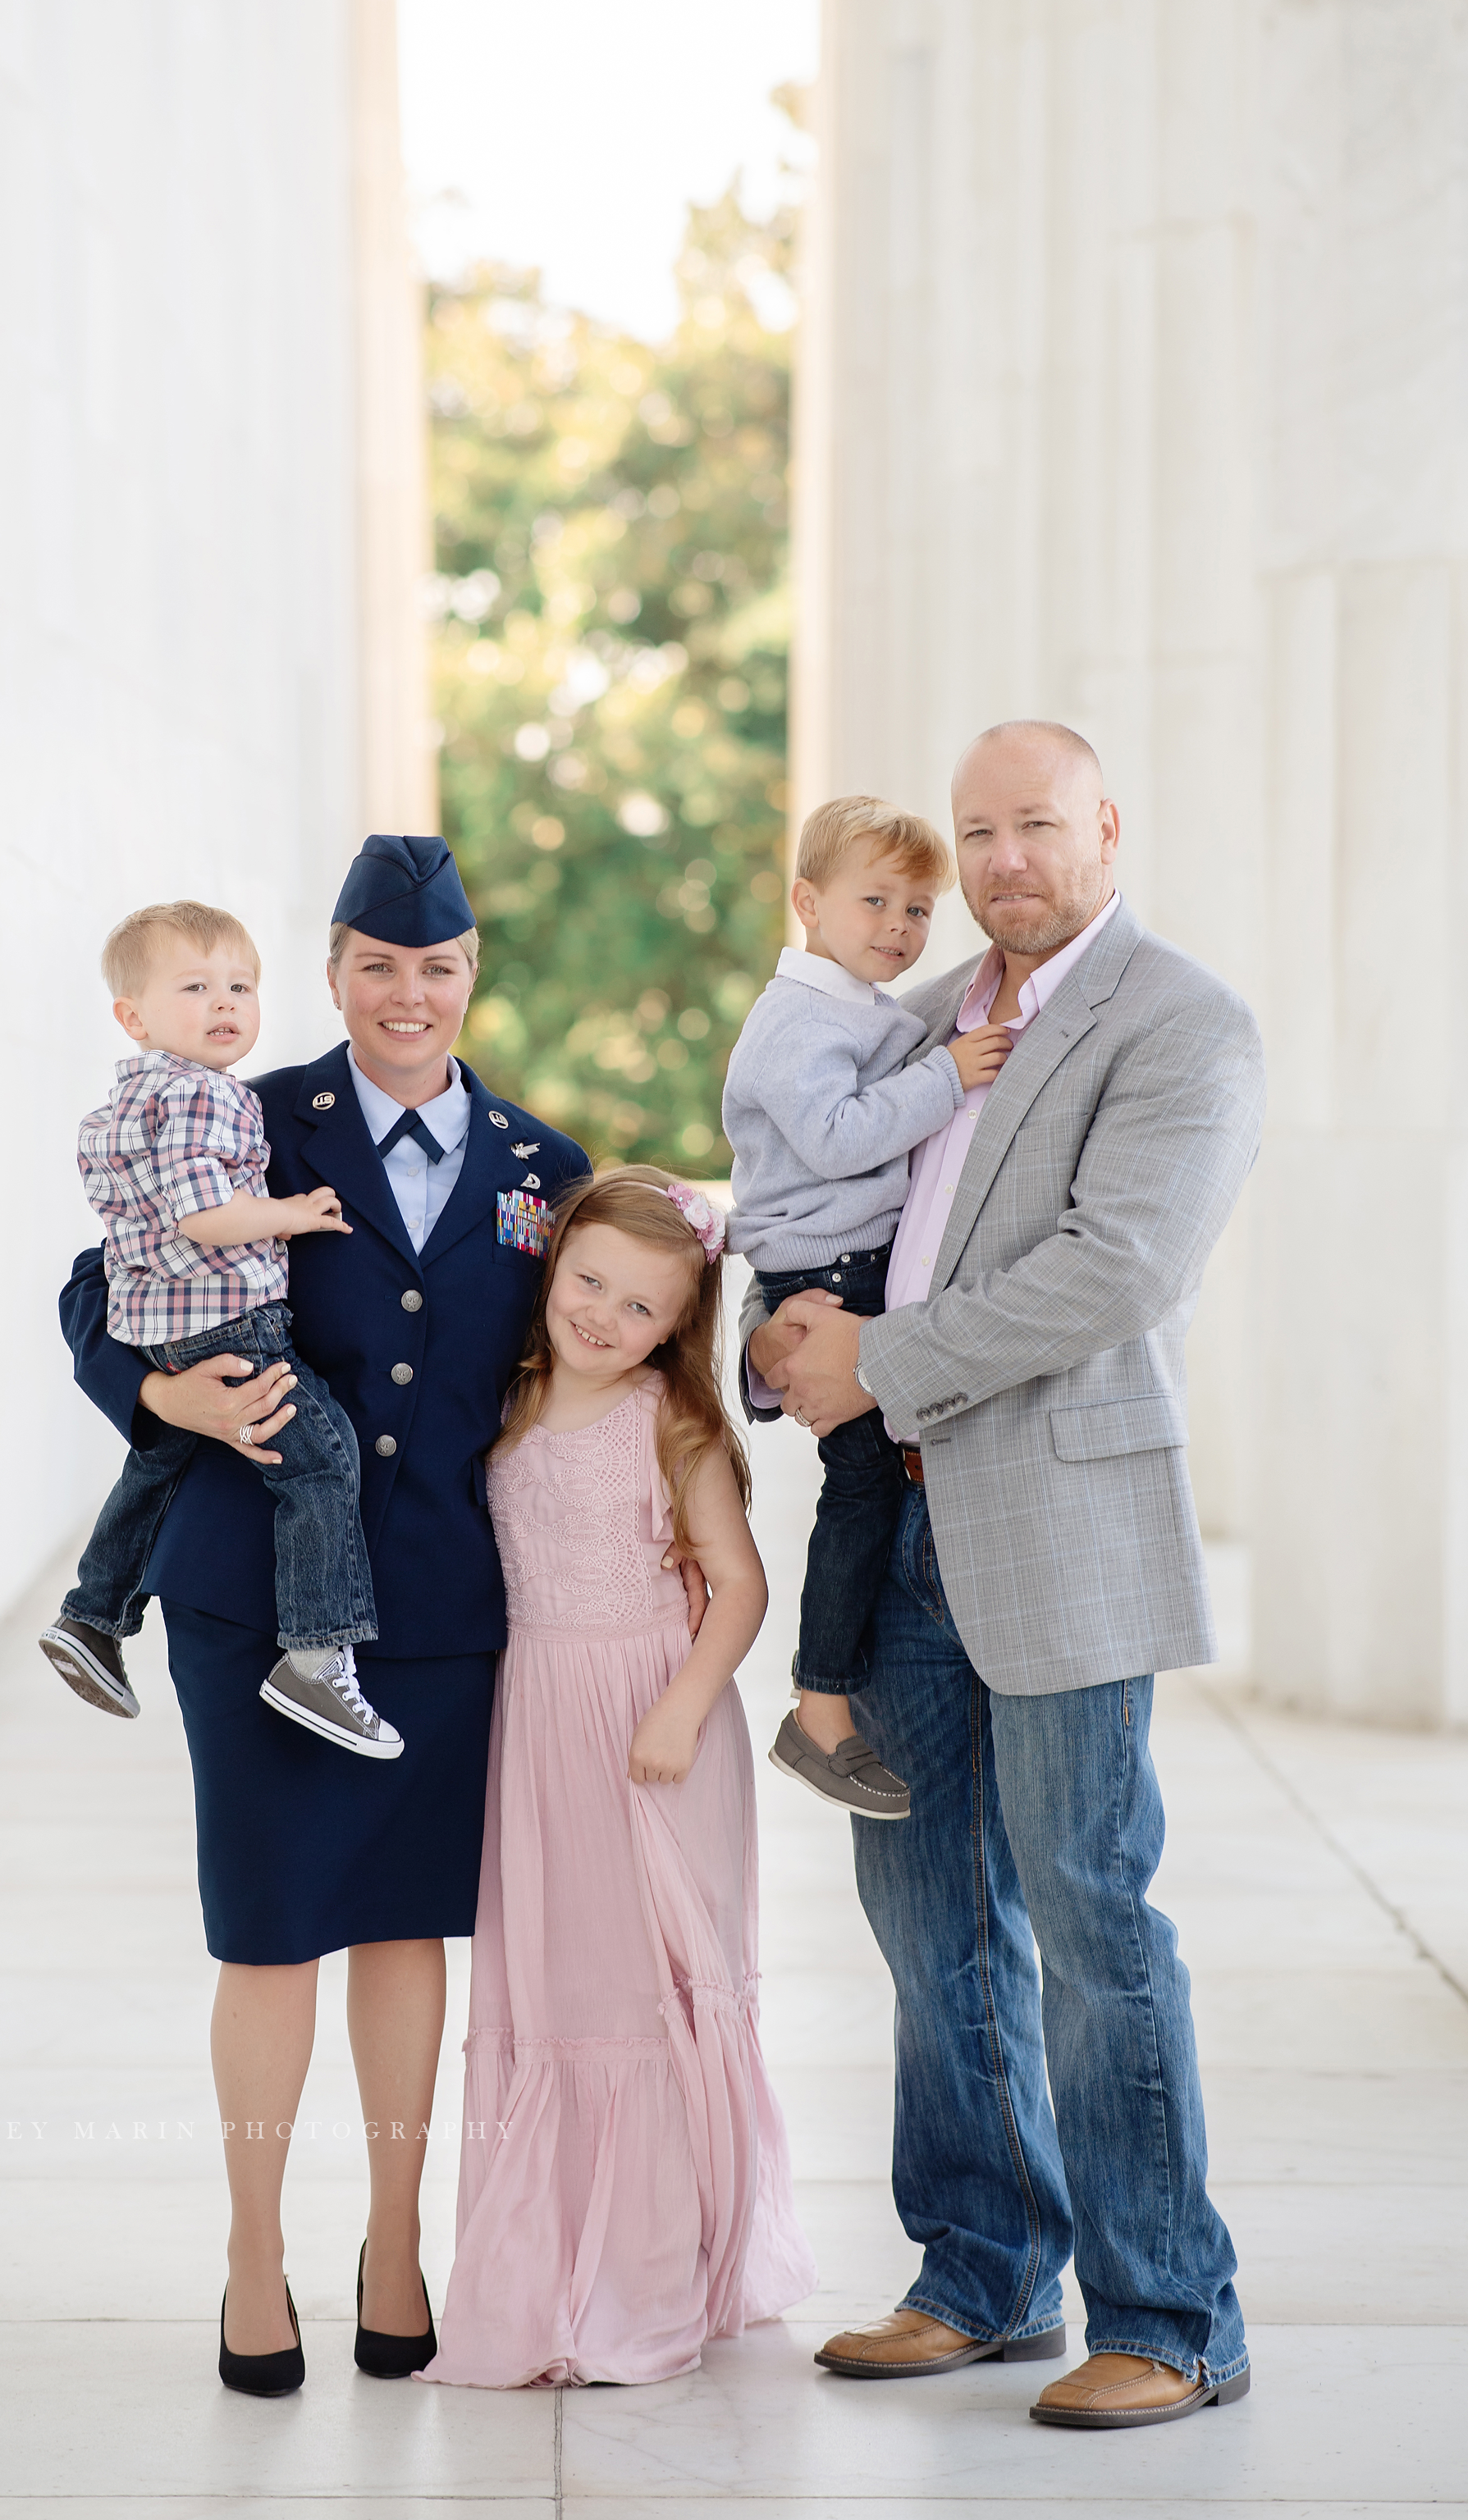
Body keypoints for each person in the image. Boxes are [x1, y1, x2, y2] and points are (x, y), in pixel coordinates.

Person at [748, 722, 1264, 2431]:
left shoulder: (1182, 1024)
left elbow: (1111, 1272)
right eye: (975, 835)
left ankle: (1173, 2313)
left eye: (1034, 825)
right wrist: (770, 1335)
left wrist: (874, 1359)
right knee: (928, 1932)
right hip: (888, 1534)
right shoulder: (917, 1012)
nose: (1000, 864)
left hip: (1058, 1527)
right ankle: (978, 2272)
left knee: (1091, 1920)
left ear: (1106, 825)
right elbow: (808, 1175)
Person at [57, 834, 590, 2396]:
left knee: (408, 1924)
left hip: (437, 1603)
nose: (405, 996)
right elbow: (97, 1289)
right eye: (376, 966)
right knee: (274, 1924)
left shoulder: (540, 1169)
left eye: (434, 969)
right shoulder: (237, 1105)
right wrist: (160, 1392)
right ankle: (248, 2253)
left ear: (469, 977)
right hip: (247, 1587)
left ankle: (399, 2241)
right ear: (336, 971)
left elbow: (594, 1363)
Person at [423, 1168, 816, 2387]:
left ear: (674, 1326)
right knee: (554, 1989)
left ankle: (648, 2277)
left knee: (646, 1996)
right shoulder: (504, 1402)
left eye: (640, 1306)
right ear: (553, 1272)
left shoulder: (671, 1420)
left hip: (652, 1722)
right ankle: (547, 2276)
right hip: (537, 1719)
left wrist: (684, 1708)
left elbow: (739, 1586)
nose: (602, 1315)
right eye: (587, 1282)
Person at [39, 898, 398, 1759]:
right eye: (196, 987)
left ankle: (92, 1617)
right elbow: (205, 1214)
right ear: (133, 1017)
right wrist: (293, 1213)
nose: (226, 1003)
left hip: (157, 1327)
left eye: (241, 984)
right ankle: (315, 1655)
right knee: (320, 1461)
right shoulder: (209, 1097)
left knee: (157, 1463)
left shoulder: (128, 1103)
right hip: (228, 1321)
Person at [722, 795, 1013, 1817]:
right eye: (875, 902)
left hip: (851, 1266)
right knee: (859, 1497)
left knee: (871, 1493)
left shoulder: (863, 1006)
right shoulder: (798, 1018)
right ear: (806, 902)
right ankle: (819, 1708)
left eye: (919, 910)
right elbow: (842, 1139)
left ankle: (825, 1700)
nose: (899, 927)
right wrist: (946, 1074)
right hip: (827, 1272)